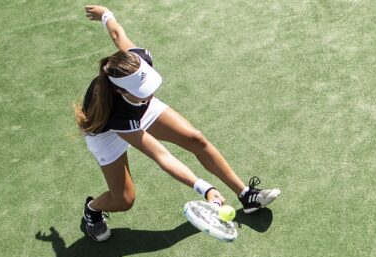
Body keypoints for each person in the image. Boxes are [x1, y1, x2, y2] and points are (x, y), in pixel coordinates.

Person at [74, 5, 279, 241]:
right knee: (124, 200)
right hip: (107, 133)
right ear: (122, 91)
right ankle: (92, 209)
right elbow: (162, 156)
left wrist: (106, 15)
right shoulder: (116, 112)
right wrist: (205, 188)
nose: (151, 92)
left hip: (137, 107)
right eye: (144, 90)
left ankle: (246, 195)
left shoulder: (136, 62)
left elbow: (117, 34)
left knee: (195, 138)